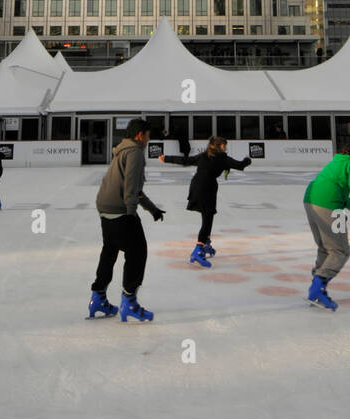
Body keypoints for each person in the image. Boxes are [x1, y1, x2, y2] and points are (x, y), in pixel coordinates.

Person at [89, 118, 164, 322]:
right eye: (148, 136)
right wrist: (131, 215)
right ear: (140, 135)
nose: (148, 140)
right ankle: (129, 301)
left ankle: (98, 296)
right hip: (120, 209)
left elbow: (133, 189)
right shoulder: (135, 152)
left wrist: (152, 209)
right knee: (138, 252)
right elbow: (131, 188)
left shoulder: (121, 149)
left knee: (110, 249)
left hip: (105, 207)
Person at [302, 142, 350, 312]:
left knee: (325, 248)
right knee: (341, 250)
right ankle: (317, 288)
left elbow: (343, 197)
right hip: (331, 207)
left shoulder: (333, 164)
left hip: (310, 202)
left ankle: (316, 287)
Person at [158, 135, 251, 267]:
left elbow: (186, 160)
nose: (225, 147)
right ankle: (198, 250)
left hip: (196, 186)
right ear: (219, 146)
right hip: (207, 189)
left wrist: (166, 158)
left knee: (207, 215)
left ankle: (206, 243)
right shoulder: (223, 159)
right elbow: (240, 165)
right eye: (224, 145)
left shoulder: (204, 155)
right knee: (207, 218)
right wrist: (248, 160)